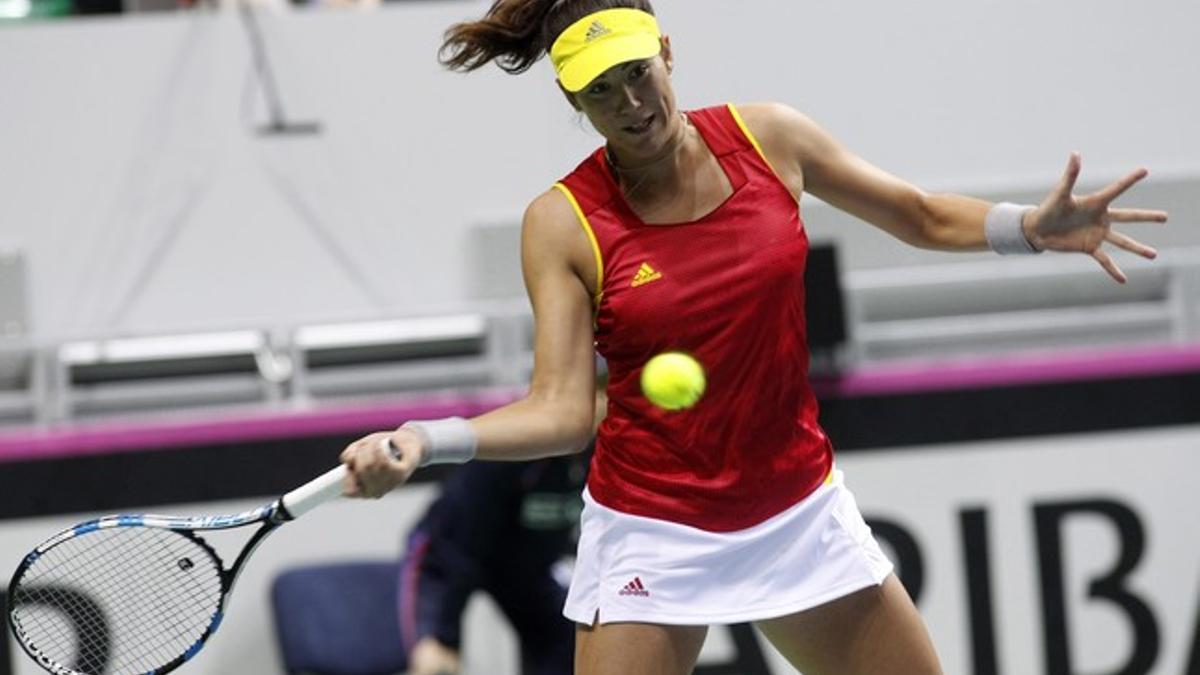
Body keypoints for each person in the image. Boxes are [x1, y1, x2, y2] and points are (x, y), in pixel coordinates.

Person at [337, 2, 1168, 674]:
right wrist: (426, 439)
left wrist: (1028, 225)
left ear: (667, 50)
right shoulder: (561, 222)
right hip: (651, 528)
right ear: (573, 102)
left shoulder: (770, 138)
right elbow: (559, 409)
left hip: (794, 509)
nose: (631, 105)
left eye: (638, 74)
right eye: (601, 93)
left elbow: (915, 214)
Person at [396, 450, 587, 675]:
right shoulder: (515, 455)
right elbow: (453, 550)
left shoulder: (600, 455)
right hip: (448, 557)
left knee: (569, 647)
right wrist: (438, 636)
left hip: (523, 566)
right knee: (436, 665)